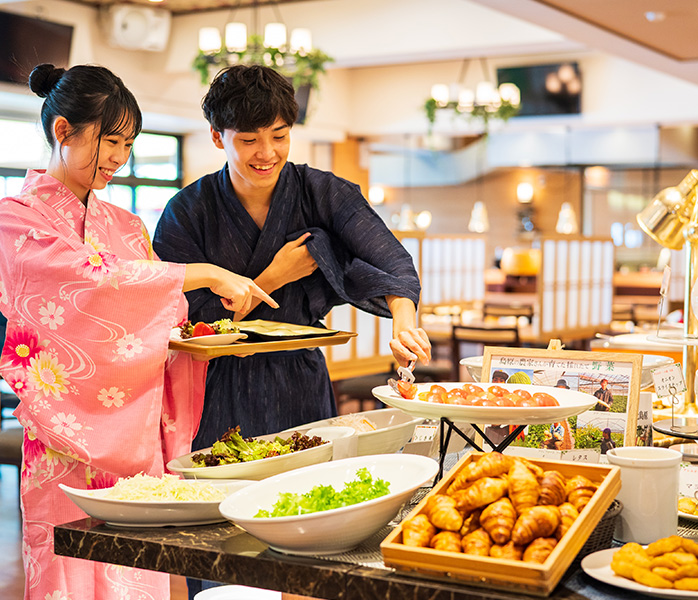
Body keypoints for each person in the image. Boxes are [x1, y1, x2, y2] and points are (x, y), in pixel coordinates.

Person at [0, 63, 276, 600]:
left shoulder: (125, 226)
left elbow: (157, 310)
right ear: (63, 131)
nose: (120, 159)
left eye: (128, 144)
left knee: (142, 569)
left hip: (138, 425)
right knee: (70, 566)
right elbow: (89, 283)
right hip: (67, 438)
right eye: (111, 141)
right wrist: (206, 272)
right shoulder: (15, 218)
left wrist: (198, 337)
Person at [153, 65, 431, 443]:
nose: (267, 153)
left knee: (307, 492)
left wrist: (404, 321)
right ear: (218, 137)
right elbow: (191, 322)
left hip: (300, 378)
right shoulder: (187, 210)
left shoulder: (321, 192)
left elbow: (391, 260)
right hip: (217, 386)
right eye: (249, 140)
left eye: (279, 136)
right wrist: (275, 276)